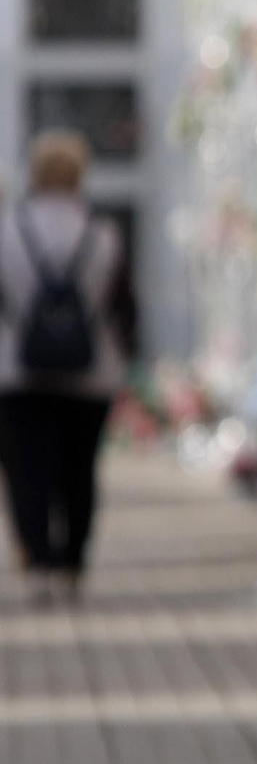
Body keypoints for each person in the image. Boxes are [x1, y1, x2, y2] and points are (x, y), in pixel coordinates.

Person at [0, 129, 127, 605]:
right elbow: (123, 308)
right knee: (79, 469)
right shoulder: (104, 232)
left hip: (16, 372)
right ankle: (73, 562)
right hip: (89, 374)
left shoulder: (8, 229)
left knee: (25, 469)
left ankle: (38, 562)